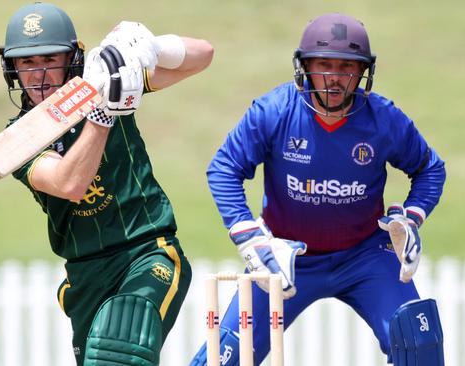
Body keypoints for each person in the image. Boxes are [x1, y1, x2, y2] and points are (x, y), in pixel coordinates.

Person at [190, 13, 445, 366]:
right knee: (223, 358)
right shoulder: (274, 111)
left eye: (347, 67)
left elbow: (430, 168)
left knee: (419, 346)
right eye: (323, 64)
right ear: (304, 67)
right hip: (286, 257)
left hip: (365, 255)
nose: (335, 78)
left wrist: (412, 218)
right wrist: (250, 239)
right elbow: (224, 168)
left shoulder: (383, 119)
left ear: (363, 72)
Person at [0, 3, 213, 365]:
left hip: (147, 252)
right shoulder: (19, 138)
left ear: (72, 58)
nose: (40, 74)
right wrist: (103, 113)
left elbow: (203, 55)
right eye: (28, 63)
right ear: (13, 69)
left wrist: (149, 48)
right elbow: (70, 184)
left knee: (122, 348)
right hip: (85, 275)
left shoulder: (105, 84)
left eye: (50, 58)